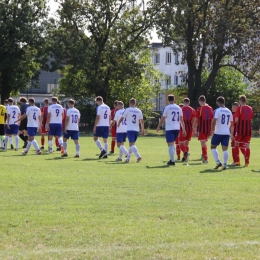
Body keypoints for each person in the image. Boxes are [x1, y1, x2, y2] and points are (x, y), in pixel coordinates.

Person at [156, 94, 186, 165]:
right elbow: (182, 120)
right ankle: (172, 159)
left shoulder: (167, 107)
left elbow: (163, 118)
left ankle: (172, 161)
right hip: (177, 128)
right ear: (174, 99)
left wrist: (158, 126)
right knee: (172, 144)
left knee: (170, 144)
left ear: (168, 100)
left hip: (170, 128)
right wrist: (184, 129)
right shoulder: (179, 108)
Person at [118, 98, 145, 163]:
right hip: (136, 130)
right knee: (131, 144)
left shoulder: (127, 110)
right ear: (135, 103)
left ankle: (138, 156)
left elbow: (122, 117)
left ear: (130, 103)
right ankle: (128, 159)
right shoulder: (139, 110)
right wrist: (143, 130)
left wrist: (118, 123)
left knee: (132, 144)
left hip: (130, 129)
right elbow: (141, 121)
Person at [211, 96, 233, 170]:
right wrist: (228, 130)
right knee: (225, 149)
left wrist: (212, 129)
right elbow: (231, 122)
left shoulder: (217, 110)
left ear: (218, 102)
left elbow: (214, 120)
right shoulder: (229, 111)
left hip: (218, 132)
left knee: (213, 147)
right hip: (226, 132)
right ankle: (225, 164)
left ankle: (218, 162)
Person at [232, 95, 253, 167]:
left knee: (236, 144)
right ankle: (246, 162)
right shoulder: (250, 108)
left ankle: (237, 161)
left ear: (240, 101)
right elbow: (251, 118)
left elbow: (237, 119)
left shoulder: (239, 108)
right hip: (248, 129)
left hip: (241, 129)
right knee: (247, 145)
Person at [193, 95, 214, 163]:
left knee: (203, 143)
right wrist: (212, 129)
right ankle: (203, 155)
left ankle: (205, 158)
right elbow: (212, 118)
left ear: (199, 101)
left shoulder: (200, 109)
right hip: (208, 128)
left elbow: (196, 119)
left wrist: (194, 127)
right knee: (204, 142)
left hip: (202, 128)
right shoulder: (210, 108)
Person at [178, 98, 196, 162]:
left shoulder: (181, 109)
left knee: (180, 143)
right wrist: (194, 128)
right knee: (186, 144)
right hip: (190, 128)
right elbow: (194, 119)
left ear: (183, 102)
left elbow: (179, 119)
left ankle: (186, 153)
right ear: (189, 102)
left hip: (183, 128)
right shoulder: (192, 110)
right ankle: (185, 158)